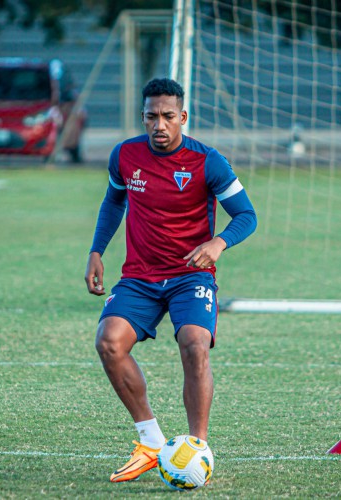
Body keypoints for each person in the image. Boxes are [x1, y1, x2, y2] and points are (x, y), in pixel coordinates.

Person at [84, 78, 257, 483]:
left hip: (190, 275)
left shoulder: (208, 161)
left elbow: (247, 215)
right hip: (140, 276)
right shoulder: (125, 155)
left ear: (183, 117)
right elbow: (113, 201)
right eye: (151, 116)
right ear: (142, 117)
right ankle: (150, 440)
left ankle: (197, 447)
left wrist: (218, 243)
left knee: (194, 344)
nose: (159, 125)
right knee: (109, 342)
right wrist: (96, 251)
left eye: (167, 116)